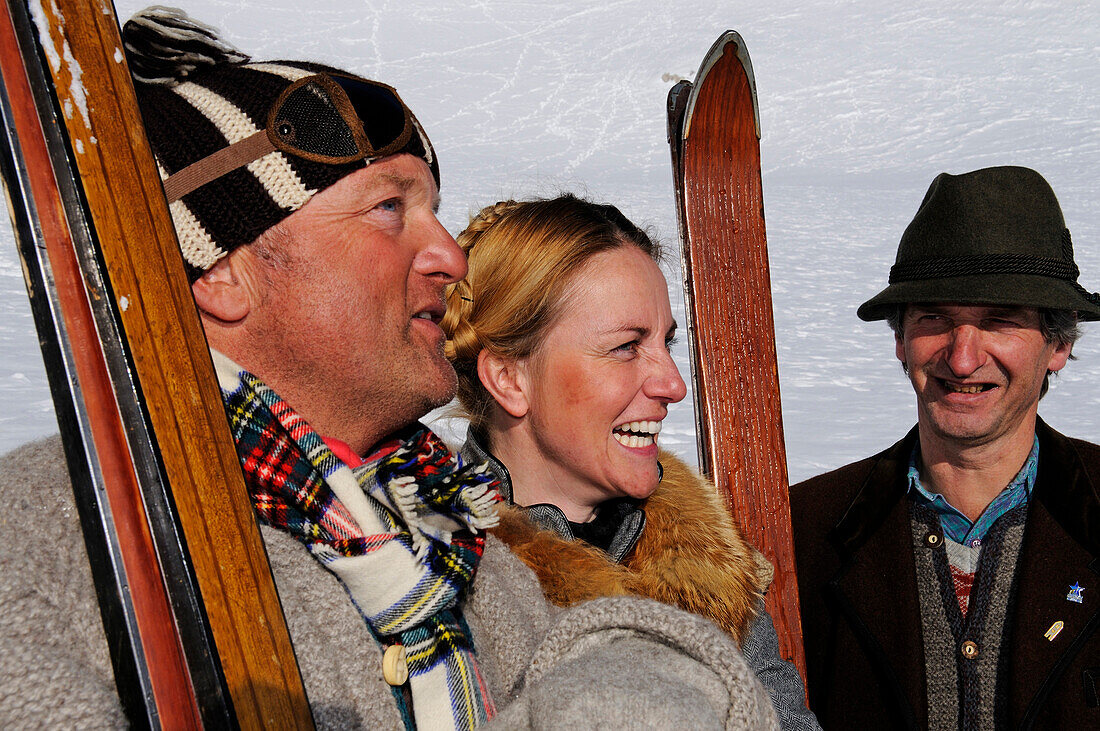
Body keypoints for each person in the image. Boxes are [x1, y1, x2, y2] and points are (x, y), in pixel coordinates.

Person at [0, 8, 781, 729]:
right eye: (388, 209)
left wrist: (647, 671)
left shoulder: (460, 545)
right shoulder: (52, 542)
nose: (449, 255)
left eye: (434, 211)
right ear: (222, 271)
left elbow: (604, 658)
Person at [441, 195, 819, 729]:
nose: (673, 384)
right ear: (509, 378)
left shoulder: (709, 561)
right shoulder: (442, 578)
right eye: (626, 347)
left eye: (666, 342)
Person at [790, 165, 1100, 728]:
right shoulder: (801, 532)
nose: (961, 359)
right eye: (936, 318)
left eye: (999, 320)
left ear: (1058, 343)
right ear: (901, 340)